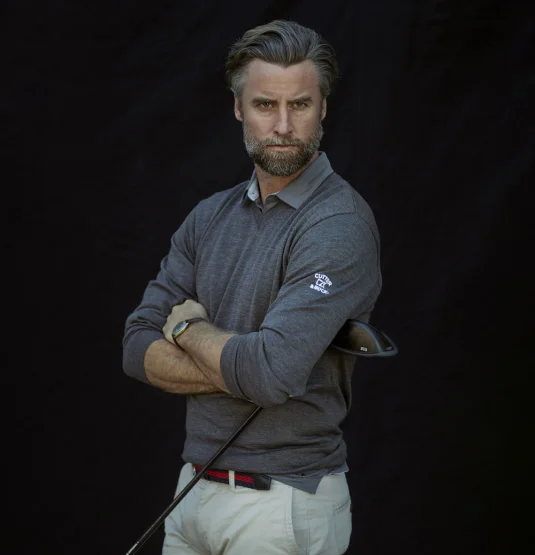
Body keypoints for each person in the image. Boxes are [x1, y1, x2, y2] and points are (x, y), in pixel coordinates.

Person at [122, 19, 382, 555]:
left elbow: (269, 373)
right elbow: (135, 345)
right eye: (265, 105)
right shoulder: (208, 217)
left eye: (300, 105)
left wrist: (187, 330)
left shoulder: (337, 225)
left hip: (281, 503)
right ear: (239, 108)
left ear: (323, 107)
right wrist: (249, 365)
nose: (283, 125)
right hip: (193, 494)